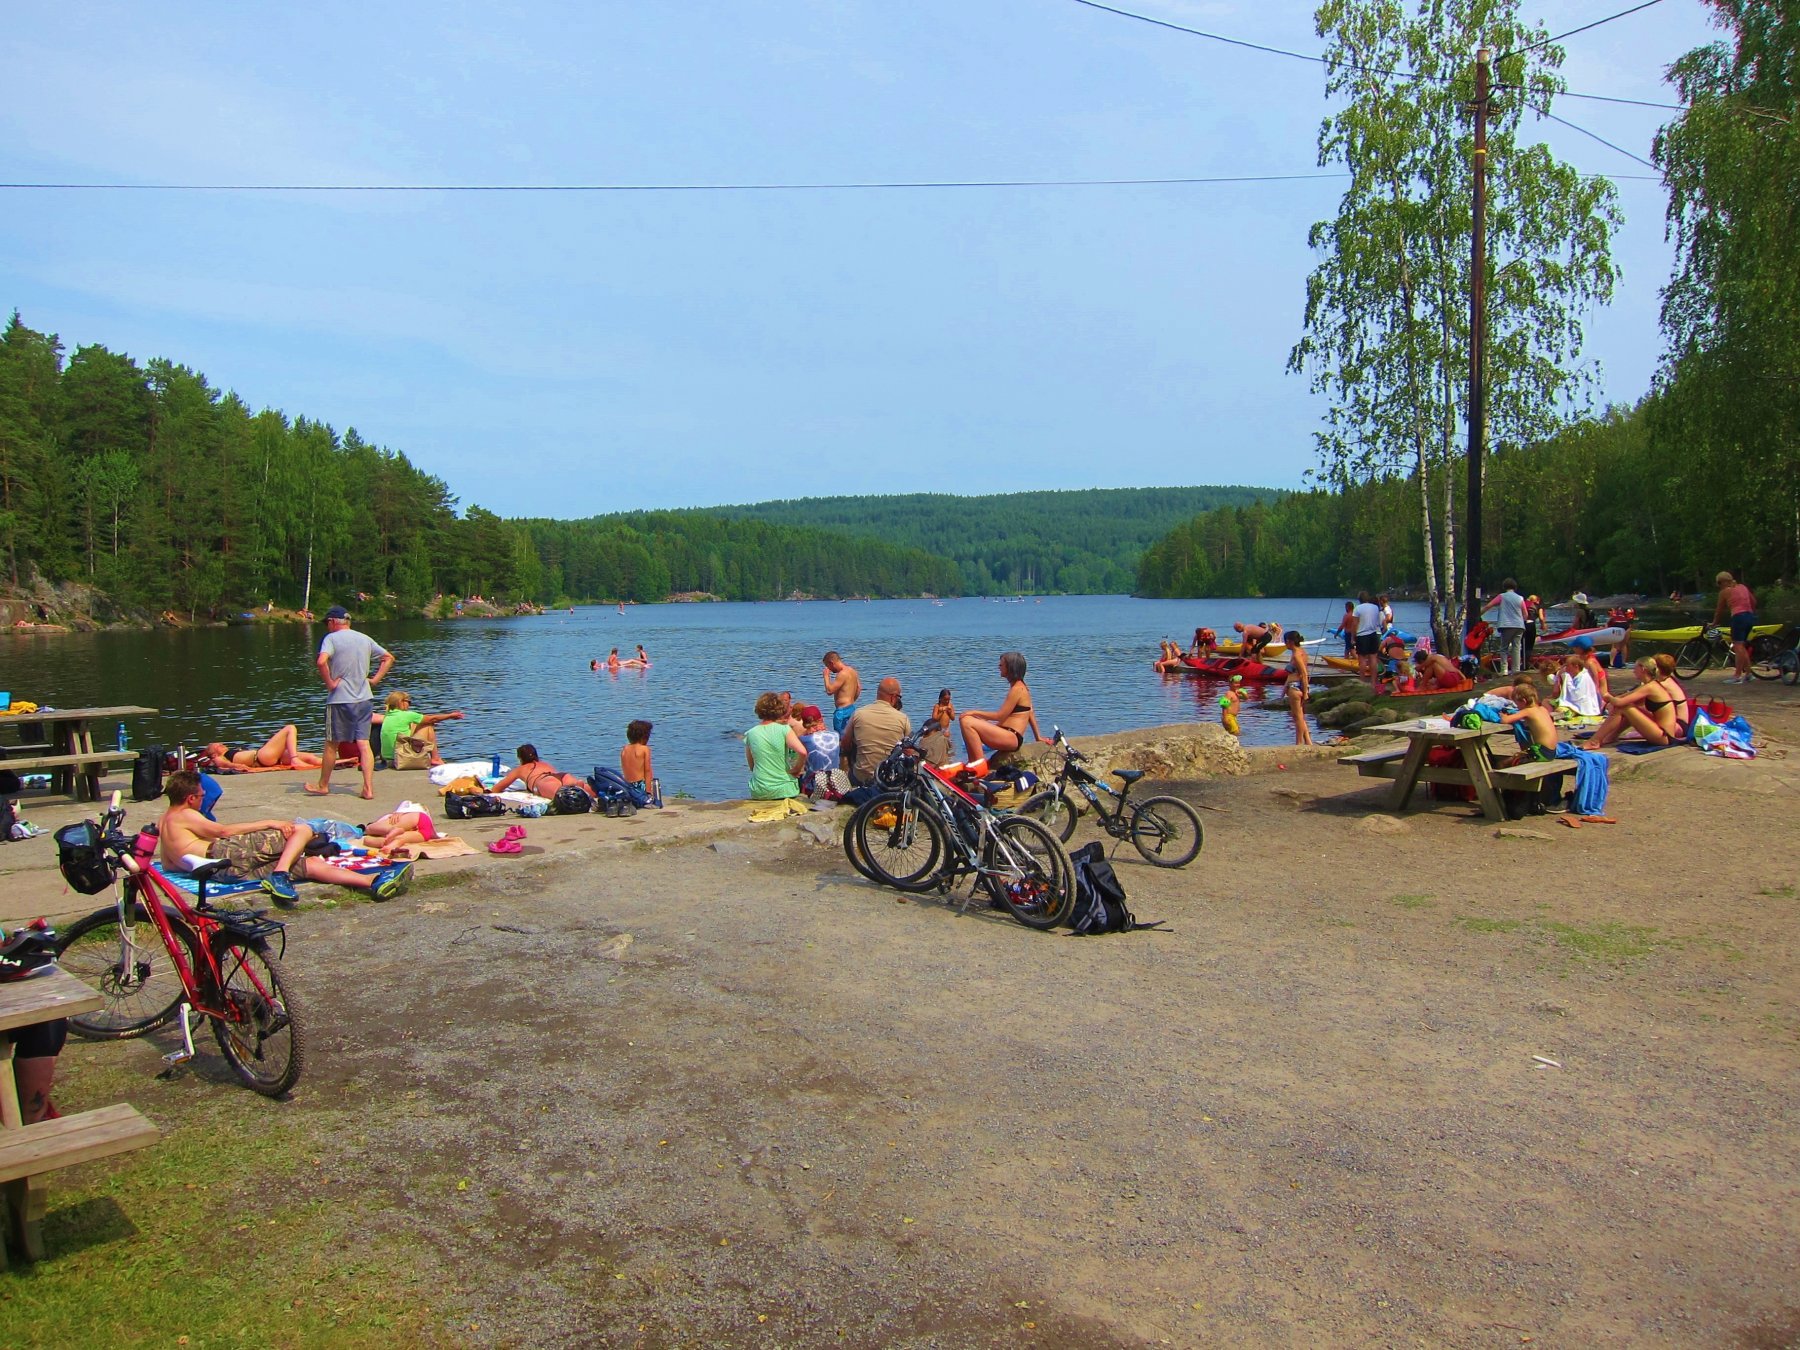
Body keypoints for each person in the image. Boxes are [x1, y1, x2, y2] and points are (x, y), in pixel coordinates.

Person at [160, 770, 410, 906]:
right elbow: (223, 833)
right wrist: (270, 822)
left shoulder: (164, 825)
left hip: (222, 873)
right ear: (190, 798)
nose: (203, 799)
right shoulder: (183, 814)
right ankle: (280, 874)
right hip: (222, 854)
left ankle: (373, 883)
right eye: (201, 796)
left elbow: (171, 866)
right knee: (301, 830)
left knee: (309, 865)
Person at [307, 605, 393, 800]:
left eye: (327, 623)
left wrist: (329, 683)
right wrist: (375, 679)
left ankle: (323, 785)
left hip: (340, 699)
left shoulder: (331, 639)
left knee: (331, 743)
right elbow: (388, 658)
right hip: (364, 697)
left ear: (332, 622)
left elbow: (321, 662)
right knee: (364, 743)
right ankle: (368, 788)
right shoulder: (364, 638)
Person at [959, 651, 1041, 762]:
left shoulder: (1017, 689)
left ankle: (979, 764)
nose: (999, 667)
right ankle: (973, 763)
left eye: (1001, 665)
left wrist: (973, 712)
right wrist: (1038, 737)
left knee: (966, 721)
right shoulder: (1021, 687)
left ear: (1010, 668)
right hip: (1008, 735)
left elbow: (1000, 716)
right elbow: (1030, 712)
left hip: (1011, 737)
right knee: (969, 720)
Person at [1587, 658, 1687, 748]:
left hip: (1665, 737)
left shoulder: (1651, 687)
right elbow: (1627, 698)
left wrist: (1606, 695)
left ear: (1643, 669)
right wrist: (1612, 700)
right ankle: (1610, 736)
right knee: (1629, 708)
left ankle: (1595, 741)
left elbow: (1619, 702)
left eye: (1635, 668)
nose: (1633, 671)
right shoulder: (1651, 685)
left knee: (1624, 707)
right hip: (1663, 733)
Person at [843, 677, 912, 786]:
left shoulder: (858, 714)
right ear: (893, 697)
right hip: (888, 779)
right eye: (899, 697)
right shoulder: (903, 718)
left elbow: (845, 744)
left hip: (861, 777)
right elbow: (909, 751)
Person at [375, 691, 465, 768]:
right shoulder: (407, 715)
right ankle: (435, 758)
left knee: (417, 723)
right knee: (428, 725)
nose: (409, 705)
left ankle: (433, 757)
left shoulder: (388, 715)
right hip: (401, 758)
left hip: (387, 759)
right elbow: (432, 719)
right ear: (401, 702)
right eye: (408, 702)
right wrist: (450, 716)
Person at [746, 692, 806, 800]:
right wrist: (796, 770)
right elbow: (802, 752)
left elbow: (752, 766)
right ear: (779, 709)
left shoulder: (750, 733)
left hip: (759, 790)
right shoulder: (784, 729)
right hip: (784, 789)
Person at [494, 745, 594, 801]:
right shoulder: (545, 764)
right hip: (560, 776)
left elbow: (497, 788)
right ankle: (579, 785)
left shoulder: (520, 769)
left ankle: (574, 788)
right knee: (592, 791)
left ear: (520, 758)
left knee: (561, 796)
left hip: (542, 780)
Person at [204, 726, 323, 771]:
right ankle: (294, 759)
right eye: (217, 745)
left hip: (267, 758)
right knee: (290, 728)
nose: (221, 744)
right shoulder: (219, 758)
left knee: (310, 757)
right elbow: (224, 765)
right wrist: (239, 767)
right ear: (213, 753)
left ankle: (333, 763)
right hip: (260, 757)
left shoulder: (231, 751)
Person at [1713, 569, 1757, 683]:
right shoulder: (1743, 587)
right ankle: (1748, 674)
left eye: (1718, 583)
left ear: (1722, 582)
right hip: (1750, 616)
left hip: (1738, 617)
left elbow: (1719, 610)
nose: (1718, 586)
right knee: (1741, 646)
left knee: (1737, 646)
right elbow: (1754, 602)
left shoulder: (1724, 592)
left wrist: (1714, 623)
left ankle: (1737, 676)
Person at [1499, 680, 1558, 761]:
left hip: (1540, 752)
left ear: (1524, 701)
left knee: (1505, 763)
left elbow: (1504, 721)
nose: (1517, 707)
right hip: (1552, 753)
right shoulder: (1542, 709)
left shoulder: (1528, 711)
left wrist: (1503, 715)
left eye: (1517, 704)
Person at [1483, 578, 1528, 675]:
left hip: (1506, 625)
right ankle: (1516, 669)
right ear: (1515, 587)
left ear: (1504, 586)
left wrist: (1479, 613)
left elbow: (1488, 606)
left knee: (1504, 648)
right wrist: (1522, 621)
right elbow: (1525, 614)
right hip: (1519, 625)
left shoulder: (1502, 597)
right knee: (1516, 647)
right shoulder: (1520, 598)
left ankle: (1504, 670)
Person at [360, 806, 438, 856]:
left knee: (368, 829)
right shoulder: (386, 826)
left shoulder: (384, 820)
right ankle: (390, 847)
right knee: (399, 839)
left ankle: (392, 831)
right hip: (425, 830)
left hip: (418, 820)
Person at [1550, 652, 1603, 718]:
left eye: (1568, 666)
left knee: (1559, 709)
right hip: (1577, 705)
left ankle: (1563, 715)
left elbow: (1577, 695)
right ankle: (1562, 714)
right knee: (1547, 702)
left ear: (1576, 666)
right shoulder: (1577, 676)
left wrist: (1566, 678)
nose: (1566, 669)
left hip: (1583, 707)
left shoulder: (1584, 677)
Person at [1283, 627, 1312, 746]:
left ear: (1290, 641)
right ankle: (1308, 742)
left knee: (1297, 717)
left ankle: (1299, 742)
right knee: (1299, 716)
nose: (1285, 644)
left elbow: (1304, 673)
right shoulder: (1302, 652)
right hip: (1296, 685)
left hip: (1295, 687)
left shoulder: (1296, 655)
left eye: (1286, 642)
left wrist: (1305, 692)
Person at [822, 652, 862, 735]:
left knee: (841, 737)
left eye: (828, 666)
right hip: (851, 708)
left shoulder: (842, 674)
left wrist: (826, 676)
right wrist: (851, 700)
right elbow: (858, 688)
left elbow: (829, 691)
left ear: (831, 663)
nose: (829, 669)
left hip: (842, 712)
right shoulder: (852, 671)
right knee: (851, 736)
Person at [621, 720, 654, 796]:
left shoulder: (625, 749)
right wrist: (649, 791)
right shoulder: (644, 749)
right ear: (644, 736)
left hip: (627, 785)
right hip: (640, 785)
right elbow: (647, 771)